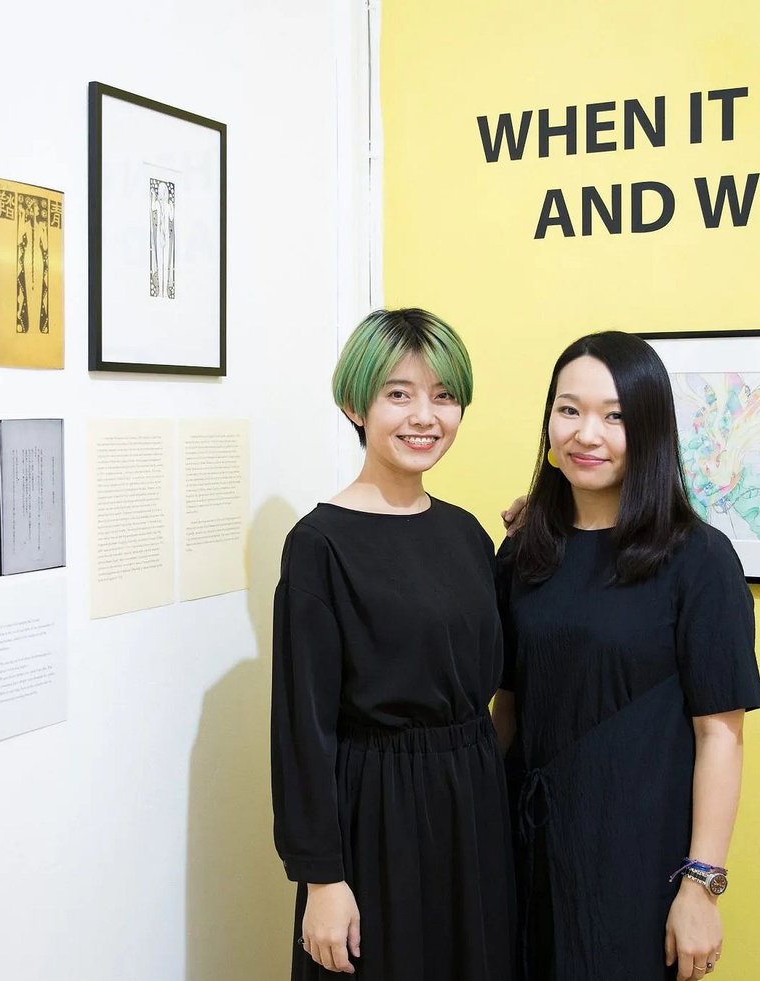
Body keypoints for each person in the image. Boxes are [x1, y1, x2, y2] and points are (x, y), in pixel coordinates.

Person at [493, 331, 760, 981]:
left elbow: (720, 734)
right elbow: (507, 705)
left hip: (636, 863)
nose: (589, 433)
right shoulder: (524, 551)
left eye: (615, 415)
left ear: (649, 430)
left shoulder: (698, 558)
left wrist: (701, 885)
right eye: (570, 409)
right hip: (522, 853)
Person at [270, 308, 516, 981]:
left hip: (472, 810)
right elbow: (303, 729)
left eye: (444, 396)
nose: (425, 416)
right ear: (356, 402)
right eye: (399, 394)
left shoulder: (469, 534)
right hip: (376, 817)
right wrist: (322, 880)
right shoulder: (320, 545)